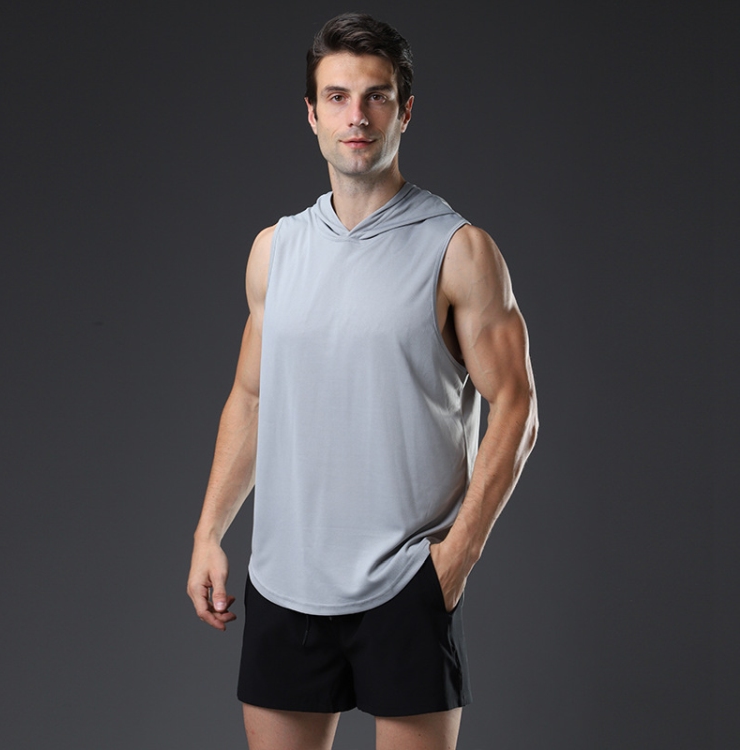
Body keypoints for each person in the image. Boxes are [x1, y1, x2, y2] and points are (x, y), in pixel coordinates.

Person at [187, 12, 538, 750]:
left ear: (404, 111)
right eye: (338, 97)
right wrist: (209, 531)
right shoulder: (274, 250)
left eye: (376, 96)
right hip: (283, 583)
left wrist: (455, 561)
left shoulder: (458, 249)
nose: (358, 116)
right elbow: (252, 396)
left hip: (406, 585)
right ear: (311, 114)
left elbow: (517, 405)